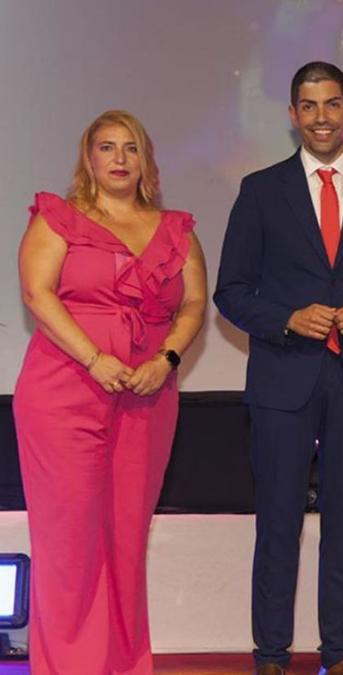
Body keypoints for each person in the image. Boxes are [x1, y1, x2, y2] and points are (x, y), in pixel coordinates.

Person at [214, 61, 343, 675]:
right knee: (277, 525)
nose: (321, 118)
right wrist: (285, 318)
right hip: (283, 380)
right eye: (308, 107)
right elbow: (231, 290)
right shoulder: (259, 190)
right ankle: (272, 656)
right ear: (292, 115)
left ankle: (340, 653)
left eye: (332, 104)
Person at [14, 110, 207, 674]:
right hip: (64, 391)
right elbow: (36, 294)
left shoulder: (177, 230)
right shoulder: (59, 219)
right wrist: (95, 358)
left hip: (147, 394)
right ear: (88, 158)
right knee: (70, 540)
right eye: (106, 147)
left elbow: (194, 304)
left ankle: (123, 664)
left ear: (146, 160)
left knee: (124, 538)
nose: (119, 158)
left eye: (131, 148)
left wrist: (167, 358)